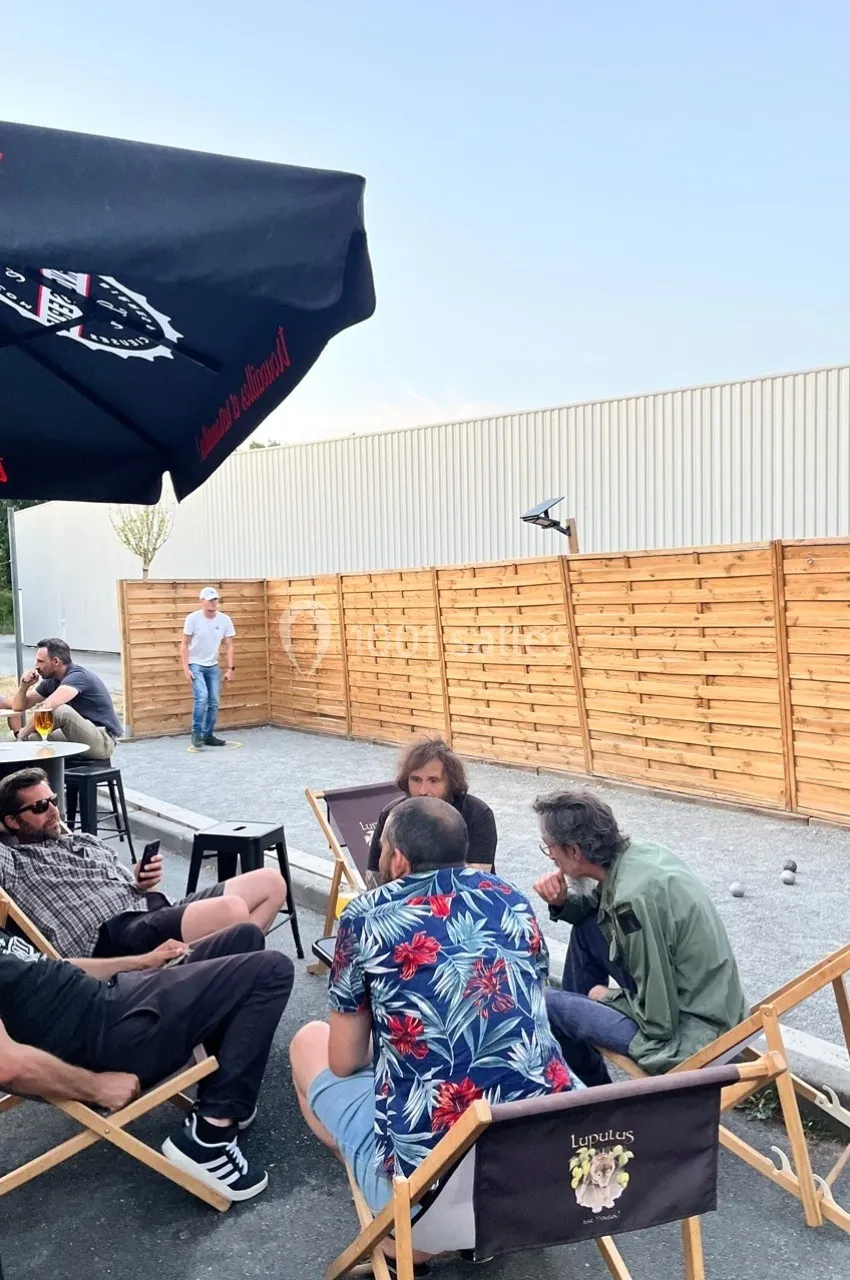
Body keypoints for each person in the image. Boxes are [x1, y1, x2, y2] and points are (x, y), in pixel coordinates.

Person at [290, 796, 573, 1232]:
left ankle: (393, 1226)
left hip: (433, 1185)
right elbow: (530, 997)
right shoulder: (510, 898)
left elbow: (344, 1061)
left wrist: (401, 1037)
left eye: (382, 847)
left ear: (398, 859)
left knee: (308, 1044)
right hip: (539, 1155)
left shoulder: (366, 916)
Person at [0, 919, 294, 1201]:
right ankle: (209, 1137)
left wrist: (140, 962)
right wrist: (98, 1087)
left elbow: (50, 967)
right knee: (272, 970)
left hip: (111, 998)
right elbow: (7, 1065)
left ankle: (225, 1092)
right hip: (104, 1042)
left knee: (244, 937)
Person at [533, 789, 748, 1086]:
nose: (552, 859)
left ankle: (596, 1097)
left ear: (573, 851)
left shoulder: (630, 902)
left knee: (547, 1003)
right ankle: (587, 1072)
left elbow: (659, 1021)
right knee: (585, 927)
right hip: (719, 1005)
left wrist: (605, 997)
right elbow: (596, 907)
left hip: (695, 1034)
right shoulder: (639, 855)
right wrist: (561, 902)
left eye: (549, 848)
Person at [0, 768, 287, 960]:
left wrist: (141, 881)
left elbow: (135, 889)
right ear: (12, 821)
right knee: (232, 911)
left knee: (271, 883)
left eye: (53, 800)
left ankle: (211, 972)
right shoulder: (15, 863)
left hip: (150, 911)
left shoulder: (84, 841)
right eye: (40, 807)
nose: (54, 811)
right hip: (111, 936)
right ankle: (221, 972)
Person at [366, 737, 497, 878]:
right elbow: (374, 877)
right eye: (416, 780)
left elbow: (479, 876)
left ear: (450, 783)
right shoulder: (391, 815)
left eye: (433, 781)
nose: (423, 790)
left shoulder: (477, 814)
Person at [11, 638, 122, 760]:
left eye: (40, 661)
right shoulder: (52, 681)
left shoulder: (78, 676)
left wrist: (22, 734)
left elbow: (46, 707)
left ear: (56, 661)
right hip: (76, 734)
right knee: (31, 739)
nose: (36, 666)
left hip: (102, 740)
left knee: (61, 711)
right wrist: (24, 686)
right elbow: (18, 706)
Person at [180, 586, 236, 749]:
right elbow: (184, 644)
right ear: (202, 602)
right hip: (195, 663)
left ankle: (208, 735)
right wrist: (186, 668)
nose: (213, 603)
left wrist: (230, 668)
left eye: (215, 600)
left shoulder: (224, 620)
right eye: (210, 600)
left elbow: (230, 645)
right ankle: (196, 733)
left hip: (212, 664)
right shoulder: (193, 619)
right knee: (202, 696)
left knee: (214, 701)